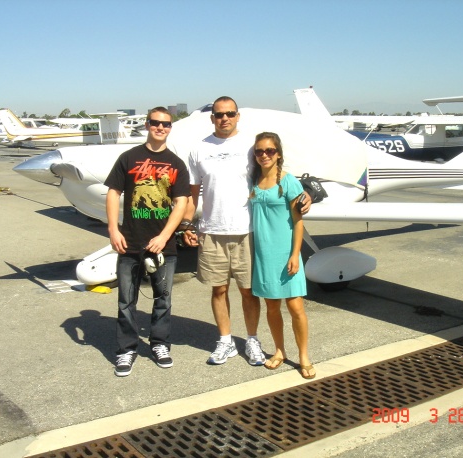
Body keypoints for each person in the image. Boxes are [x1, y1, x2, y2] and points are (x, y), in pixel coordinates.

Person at [181, 96, 311, 366]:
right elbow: (193, 194)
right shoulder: (198, 149)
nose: (224, 118)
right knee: (218, 290)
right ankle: (226, 341)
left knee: (248, 292)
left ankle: (252, 339)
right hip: (212, 231)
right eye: (219, 114)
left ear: (237, 116)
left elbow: (276, 172)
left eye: (229, 113)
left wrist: (306, 194)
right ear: (212, 118)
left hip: (247, 231)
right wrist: (187, 224)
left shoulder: (252, 146)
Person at [104, 107, 190, 377]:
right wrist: (113, 229)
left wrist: (165, 236)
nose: (160, 127)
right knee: (125, 301)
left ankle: (160, 344)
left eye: (165, 124)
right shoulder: (129, 158)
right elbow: (113, 192)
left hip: (164, 245)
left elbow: (181, 203)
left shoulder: (176, 164)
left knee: (163, 299)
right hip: (130, 242)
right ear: (147, 125)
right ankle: (127, 349)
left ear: (170, 127)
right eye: (155, 123)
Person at [249, 132, 315, 379]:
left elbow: (298, 222)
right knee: (272, 307)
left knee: (296, 307)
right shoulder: (253, 181)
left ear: (278, 154)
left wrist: (295, 254)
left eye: (269, 151)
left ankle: (304, 356)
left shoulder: (288, 182)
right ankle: (279, 351)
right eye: (259, 151)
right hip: (263, 255)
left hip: (286, 252)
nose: (264, 155)